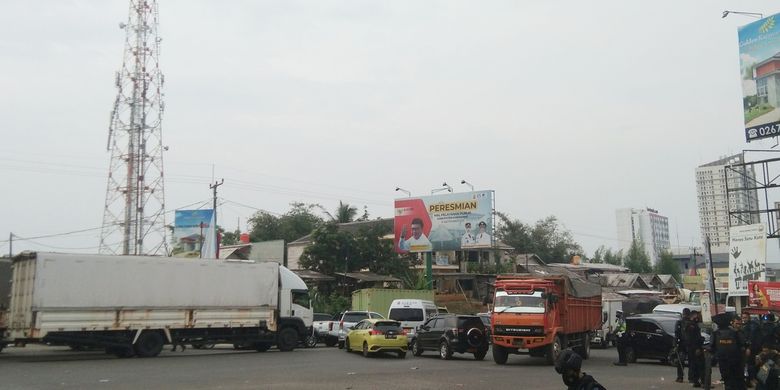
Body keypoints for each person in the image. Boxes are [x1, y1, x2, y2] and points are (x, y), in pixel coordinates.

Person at [711, 314, 746, 390]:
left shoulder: (716, 333)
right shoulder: (735, 332)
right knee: (738, 379)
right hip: (736, 361)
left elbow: (712, 347)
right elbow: (743, 344)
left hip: (723, 361)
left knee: (727, 380)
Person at [687, 310, 705, 388]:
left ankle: (696, 381)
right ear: (694, 316)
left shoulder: (693, 324)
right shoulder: (692, 325)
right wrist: (697, 347)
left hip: (692, 348)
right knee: (699, 365)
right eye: (697, 315)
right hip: (695, 348)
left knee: (694, 365)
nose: (698, 317)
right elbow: (694, 338)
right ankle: (699, 381)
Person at [743, 312, 761, 388]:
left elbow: (751, 338)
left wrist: (749, 348)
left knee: (751, 365)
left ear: (749, 317)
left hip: (752, 349)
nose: (744, 319)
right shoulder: (747, 326)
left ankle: (751, 380)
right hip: (751, 349)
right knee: (750, 365)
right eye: (743, 317)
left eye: (745, 317)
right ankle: (750, 380)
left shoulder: (751, 326)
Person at [675, 308, 692, 383]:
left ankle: (680, 377)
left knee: (681, 361)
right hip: (690, 344)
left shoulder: (679, 322)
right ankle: (691, 378)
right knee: (691, 362)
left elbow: (676, 334)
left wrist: (675, 344)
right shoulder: (692, 322)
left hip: (683, 344)